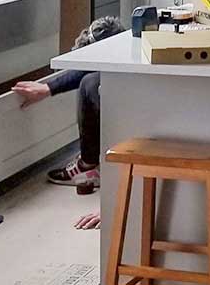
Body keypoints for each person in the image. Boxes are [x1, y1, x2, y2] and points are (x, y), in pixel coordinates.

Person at [12, 15, 125, 230]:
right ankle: (88, 165)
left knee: (93, 85)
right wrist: (48, 89)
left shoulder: (129, 92)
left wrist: (113, 203)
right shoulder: (122, 51)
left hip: (162, 130)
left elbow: (132, 142)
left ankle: (92, 166)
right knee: (90, 82)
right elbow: (96, 66)